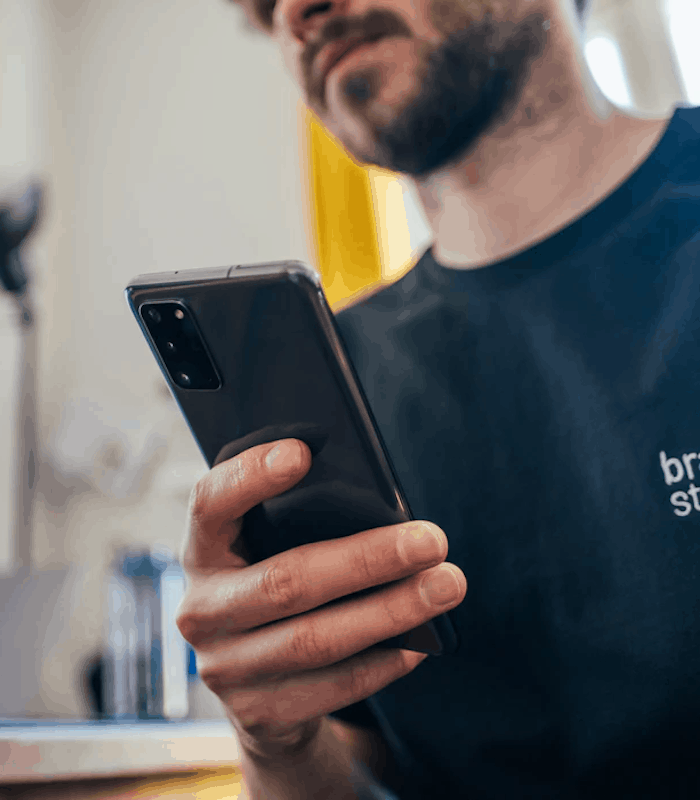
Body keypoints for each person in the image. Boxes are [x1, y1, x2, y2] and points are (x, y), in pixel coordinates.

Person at [175, 0, 700, 797]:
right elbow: (362, 773)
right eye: (264, 4)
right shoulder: (328, 393)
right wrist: (276, 742)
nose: (296, 12)